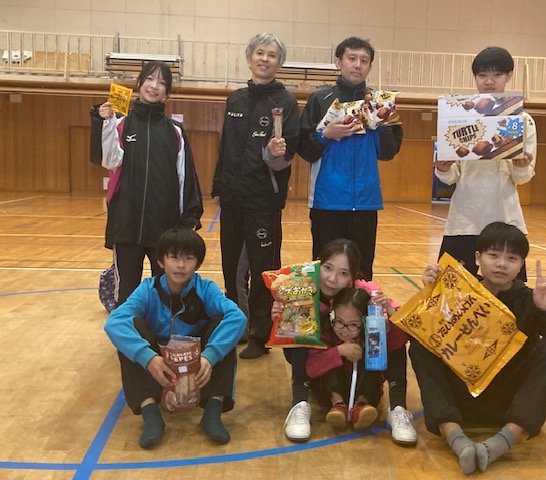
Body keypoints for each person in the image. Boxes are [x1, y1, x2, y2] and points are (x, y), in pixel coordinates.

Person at [411, 222, 546, 474]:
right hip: (463, 398)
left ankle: (503, 441)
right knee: (420, 346)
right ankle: (456, 439)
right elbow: (424, 331)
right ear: (477, 258)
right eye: (493, 255)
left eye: (511, 258)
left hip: (510, 403)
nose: (502, 264)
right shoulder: (459, 293)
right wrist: (431, 293)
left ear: (521, 264)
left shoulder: (530, 298)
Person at [104, 227, 247, 449]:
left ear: (198, 264)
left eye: (189, 258)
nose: (181, 265)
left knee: (223, 324)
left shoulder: (205, 289)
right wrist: (148, 357)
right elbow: (114, 322)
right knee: (132, 328)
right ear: (161, 261)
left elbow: (238, 317)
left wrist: (210, 356)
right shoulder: (147, 289)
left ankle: (212, 411)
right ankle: (151, 413)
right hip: (158, 365)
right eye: (174, 257)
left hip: (197, 365)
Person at [212, 33, 300, 360]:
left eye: (272, 55)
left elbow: (288, 153)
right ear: (249, 58)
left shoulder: (286, 103)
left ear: (279, 63)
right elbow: (224, 147)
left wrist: (277, 153)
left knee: (264, 269)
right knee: (232, 269)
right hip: (232, 200)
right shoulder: (235, 100)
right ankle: (238, 326)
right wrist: (218, 186)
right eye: (260, 53)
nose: (265, 59)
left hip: (264, 201)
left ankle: (261, 335)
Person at [280, 238, 416, 446]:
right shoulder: (303, 290)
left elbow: (402, 336)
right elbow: (291, 349)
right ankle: (300, 404)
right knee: (302, 324)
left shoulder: (367, 294)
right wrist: (281, 319)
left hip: (361, 370)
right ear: (317, 264)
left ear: (353, 276)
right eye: (328, 268)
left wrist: (389, 312)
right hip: (321, 368)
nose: (332, 279)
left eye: (343, 273)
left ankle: (398, 408)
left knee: (390, 332)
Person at [90, 61, 203, 307]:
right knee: (127, 293)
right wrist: (104, 123)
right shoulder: (121, 124)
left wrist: (188, 220)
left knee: (166, 292)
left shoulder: (175, 131)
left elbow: (186, 178)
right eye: (150, 79)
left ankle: (165, 329)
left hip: (164, 228)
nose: (154, 86)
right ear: (140, 83)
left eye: (162, 82)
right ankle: (127, 331)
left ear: (167, 92)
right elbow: (108, 160)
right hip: (126, 224)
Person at [297, 37, 403, 281]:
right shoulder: (319, 100)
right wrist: (325, 135)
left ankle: (359, 309)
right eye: (352, 58)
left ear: (370, 67)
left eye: (364, 61)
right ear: (338, 62)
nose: (358, 65)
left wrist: (380, 124)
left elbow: (388, 153)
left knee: (362, 272)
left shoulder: (380, 103)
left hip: (366, 202)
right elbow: (304, 149)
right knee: (325, 270)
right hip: (327, 201)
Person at [435, 46, 537, 281]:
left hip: (505, 219)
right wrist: (443, 167)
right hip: (463, 221)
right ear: (475, 77)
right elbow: (451, 176)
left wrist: (521, 165)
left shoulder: (522, 121)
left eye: (496, 75)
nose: (489, 81)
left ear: (509, 76)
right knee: (451, 292)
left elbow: (522, 177)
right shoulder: (459, 116)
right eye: (482, 75)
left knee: (509, 295)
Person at [306, 288, 383, 430]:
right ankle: (338, 404)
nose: (344, 330)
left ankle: (362, 405)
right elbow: (311, 369)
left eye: (353, 325)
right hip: (329, 396)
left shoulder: (371, 334)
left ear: (365, 322)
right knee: (328, 360)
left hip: (367, 395)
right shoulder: (324, 331)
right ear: (332, 315)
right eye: (339, 322)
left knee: (373, 357)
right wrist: (338, 351)